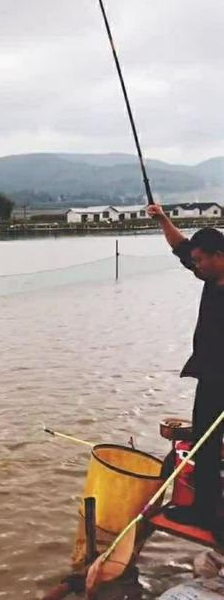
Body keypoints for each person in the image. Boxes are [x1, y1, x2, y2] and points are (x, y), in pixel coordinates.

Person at [147, 204, 223, 540]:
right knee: (204, 444)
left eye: (200, 260)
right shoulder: (209, 275)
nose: (194, 265)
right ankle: (204, 510)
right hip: (210, 377)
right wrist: (162, 218)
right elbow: (181, 247)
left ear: (218, 255)